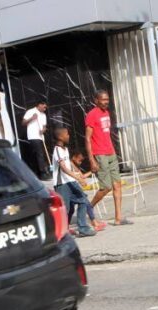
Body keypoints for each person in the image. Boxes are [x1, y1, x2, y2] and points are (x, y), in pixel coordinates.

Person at [85, 90, 131, 225]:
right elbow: (87, 138)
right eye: (103, 100)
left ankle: (118, 218)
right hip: (100, 154)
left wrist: (113, 151)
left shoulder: (106, 113)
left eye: (107, 99)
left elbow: (106, 134)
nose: (106, 102)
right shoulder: (92, 115)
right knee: (106, 187)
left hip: (110, 153)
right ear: (96, 100)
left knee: (117, 185)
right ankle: (89, 207)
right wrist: (92, 159)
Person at [51, 127, 97, 237]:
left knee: (82, 200)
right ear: (60, 137)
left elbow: (69, 163)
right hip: (62, 184)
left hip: (70, 181)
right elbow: (63, 168)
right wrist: (78, 178)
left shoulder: (65, 149)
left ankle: (83, 228)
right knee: (65, 209)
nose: (68, 136)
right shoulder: (57, 150)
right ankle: (60, 231)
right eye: (66, 134)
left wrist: (78, 172)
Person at [71, 151, 106, 230]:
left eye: (81, 161)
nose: (80, 163)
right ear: (73, 157)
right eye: (79, 160)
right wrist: (79, 180)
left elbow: (82, 176)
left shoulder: (76, 167)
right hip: (71, 188)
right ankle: (93, 223)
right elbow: (77, 177)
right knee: (71, 208)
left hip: (76, 188)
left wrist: (91, 171)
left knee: (86, 204)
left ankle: (94, 222)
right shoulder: (69, 165)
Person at [22, 99, 50, 179]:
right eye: (44, 107)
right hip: (33, 136)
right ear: (39, 105)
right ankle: (43, 173)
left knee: (39, 155)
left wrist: (43, 130)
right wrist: (32, 118)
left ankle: (38, 173)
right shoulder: (30, 111)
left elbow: (44, 126)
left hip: (41, 137)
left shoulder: (43, 115)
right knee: (39, 154)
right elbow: (23, 123)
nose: (45, 109)